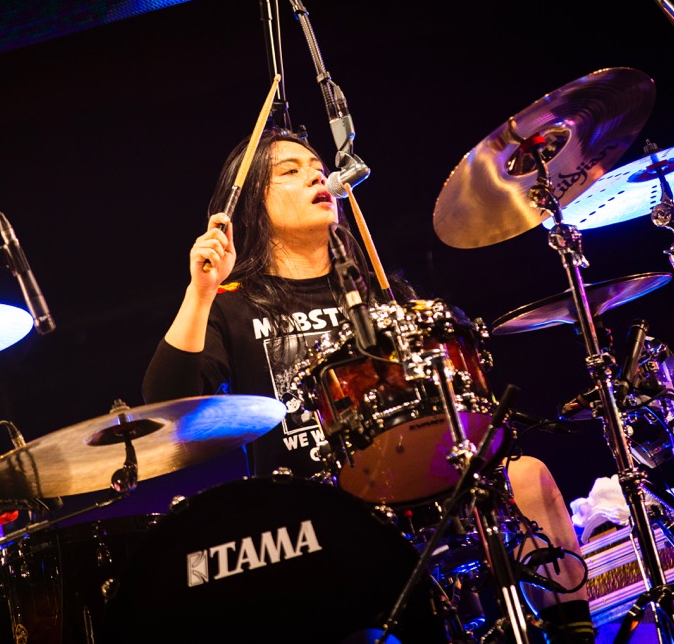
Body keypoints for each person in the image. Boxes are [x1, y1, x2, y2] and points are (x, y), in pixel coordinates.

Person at [143, 128, 593, 643]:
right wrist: (200, 292)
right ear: (251, 205)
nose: (317, 177)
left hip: (412, 490)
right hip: (305, 516)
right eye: (290, 171)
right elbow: (165, 401)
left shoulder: (383, 294)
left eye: (318, 169)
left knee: (529, 476)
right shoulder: (233, 304)